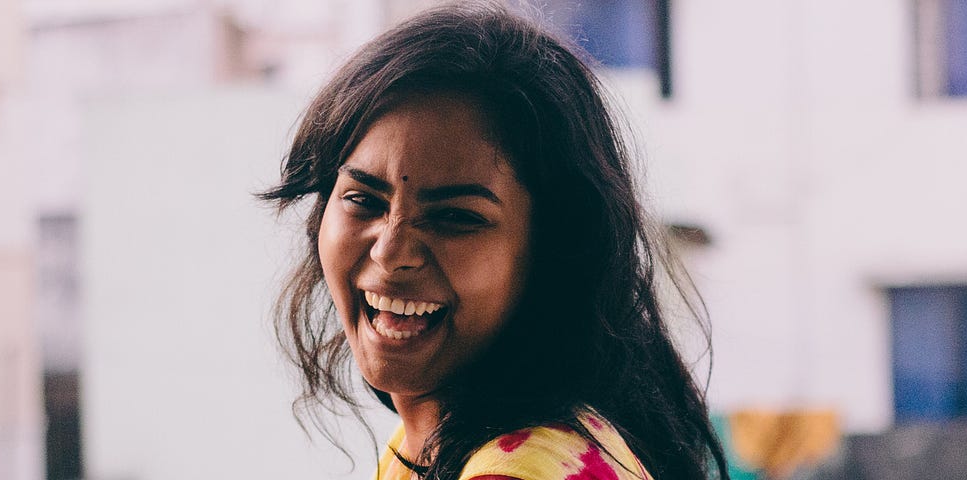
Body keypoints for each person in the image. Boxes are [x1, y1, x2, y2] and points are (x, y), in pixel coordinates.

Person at [258, 2, 729, 479]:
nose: (390, 251)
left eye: (455, 217)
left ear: (552, 249)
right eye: (363, 200)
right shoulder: (436, 440)